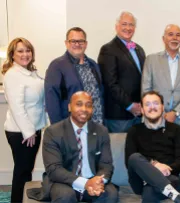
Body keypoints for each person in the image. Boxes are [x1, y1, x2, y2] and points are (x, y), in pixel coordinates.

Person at [27, 91, 117, 202]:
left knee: (110, 195)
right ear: (70, 107)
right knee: (65, 196)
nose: (84, 109)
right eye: (79, 104)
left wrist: (98, 181)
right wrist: (85, 183)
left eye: (88, 105)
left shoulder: (101, 131)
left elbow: (106, 164)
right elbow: (53, 169)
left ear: (92, 109)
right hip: (64, 182)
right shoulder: (53, 132)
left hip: (93, 180)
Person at [2, 38, 47, 202]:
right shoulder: (13, 75)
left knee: (26, 170)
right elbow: (17, 107)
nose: (25, 54)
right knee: (22, 171)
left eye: (28, 50)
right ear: (12, 55)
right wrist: (28, 133)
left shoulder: (29, 73)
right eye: (20, 51)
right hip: (21, 132)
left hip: (33, 129)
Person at [125, 91, 180, 203]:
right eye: (147, 104)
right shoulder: (134, 131)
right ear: (142, 109)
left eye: (155, 103)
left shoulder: (176, 129)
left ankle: (174, 195)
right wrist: (154, 165)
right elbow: (129, 161)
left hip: (169, 177)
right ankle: (177, 197)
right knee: (134, 157)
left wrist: (166, 169)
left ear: (162, 106)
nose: (152, 107)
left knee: (149, 194)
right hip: (141, 180)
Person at [142, 24, 180, 131]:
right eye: (170, 34)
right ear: (163, 39)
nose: (175, 38)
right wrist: (160, 112)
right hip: (154, 118)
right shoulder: (151, 60)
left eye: (178, 35)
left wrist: (176, 113)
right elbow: (145, 91)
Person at [45, 27, 104, 125]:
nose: (77, 44)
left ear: (86, 44)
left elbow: (100, 94)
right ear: (66, 43)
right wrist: (58, 129)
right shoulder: (56, 66)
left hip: (96, 124)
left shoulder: (93, 65)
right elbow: (52, 101)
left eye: (81, 41)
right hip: (71, 127)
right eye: (73, 41)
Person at [98, 11, 145, 133]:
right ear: (117, 26)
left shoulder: (139, 49)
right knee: (119, 150)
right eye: (124, 24)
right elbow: (110, 83)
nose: (128, 28)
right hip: (118, 116)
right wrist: (130, 105)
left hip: (139, 114)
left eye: (131, 25)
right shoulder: (108, 49)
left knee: (136, 151)